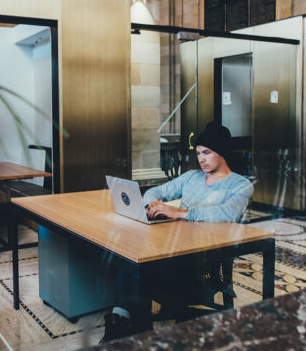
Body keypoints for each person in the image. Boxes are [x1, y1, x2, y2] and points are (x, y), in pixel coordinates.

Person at [100, 122, 254, 343]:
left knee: (139, 270)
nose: (201, 158)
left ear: (222, 154)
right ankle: (125, 323)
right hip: (175, 251)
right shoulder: (193, 177)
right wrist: (153, 202)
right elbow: (158, 190)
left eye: (207, 153)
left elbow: (228, 213)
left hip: (204, 266)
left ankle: (131, 327)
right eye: (199, 153)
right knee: (132, 257)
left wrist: (180, 213)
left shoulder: (240, 185)